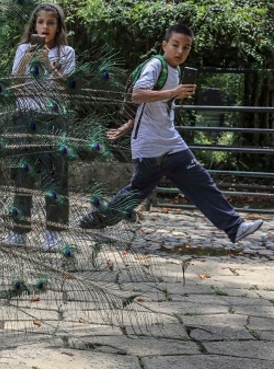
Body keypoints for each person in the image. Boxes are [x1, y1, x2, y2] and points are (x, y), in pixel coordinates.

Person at [79, 24, 263, 243]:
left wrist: (127, 126)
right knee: (138, 192)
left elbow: (150, 108)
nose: (180, 52)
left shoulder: (174, 70)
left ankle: (235, 227)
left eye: (186, 48)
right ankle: (96, 219)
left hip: (168, 142)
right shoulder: (156, 64)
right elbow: (138, 94)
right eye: (175, 45)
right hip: (152, 147)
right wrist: (174, 92)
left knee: (197, 184)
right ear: (164, 45)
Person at [5, 2, 76, 251]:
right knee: (23, 176)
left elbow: (66, 88)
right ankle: (18, 231)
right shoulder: (23, 48)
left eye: (50, 23)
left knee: (55, 177)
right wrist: (27, 59)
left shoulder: (66, 53)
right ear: (34, 25)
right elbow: (14, 84)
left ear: (58, 27)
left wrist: (46, 62)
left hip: (53, 120)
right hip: (25, 118)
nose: (45, 27)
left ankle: (53, 234)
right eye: (40, 22)